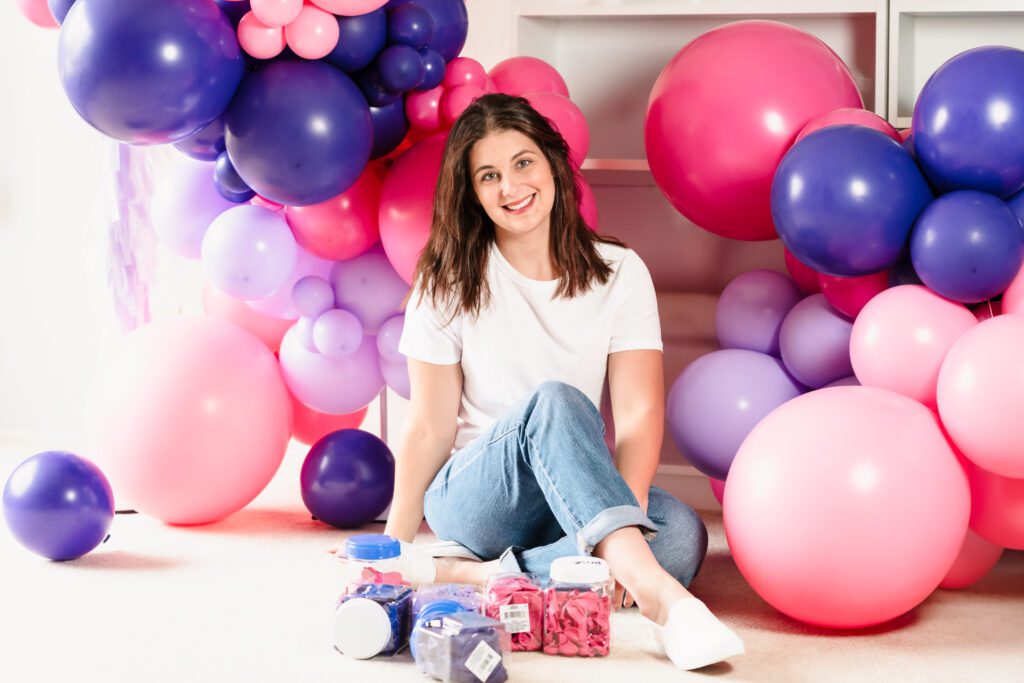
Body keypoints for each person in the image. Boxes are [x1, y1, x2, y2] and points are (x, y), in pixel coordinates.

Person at [384, 93, 744, 670]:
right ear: (472, 193)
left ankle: (471, 575)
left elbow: (638, 416)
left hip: (568, 488)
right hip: (478, 496)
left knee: (678, 534)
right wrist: (395, 548)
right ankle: (661, 598)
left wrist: (627, 515)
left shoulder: (619, 272)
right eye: (489, 175)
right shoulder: (446, 279)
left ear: (553, 164)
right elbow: (428, 425)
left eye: (523, 163)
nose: (510, 187)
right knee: (557, 402)